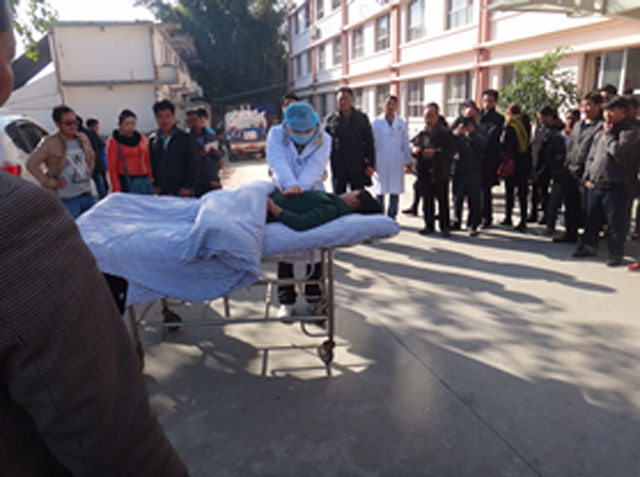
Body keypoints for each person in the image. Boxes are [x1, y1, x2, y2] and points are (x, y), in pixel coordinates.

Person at [0, 1, 188, 472]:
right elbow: (119, 447)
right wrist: (53, 184)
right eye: (7, 58)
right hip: (77, 201)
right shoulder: (23, 221)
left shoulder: (97, 142)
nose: (73, 128)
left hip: (110, 194)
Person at [266, 101, 331, 319]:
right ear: (287, 126)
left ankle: (315, 298)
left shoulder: (324, 138)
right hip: (283, 193)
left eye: (307, 130)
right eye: (297, 131)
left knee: (316, 251)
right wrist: (290, 185)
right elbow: (277, 162)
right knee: (285, 250)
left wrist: (300, 187)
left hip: (312, 193)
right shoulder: (276, 134)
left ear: (315, 124)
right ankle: (286, 300)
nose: (303, 135)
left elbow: (316, 167)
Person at [574, 96, 638, 266]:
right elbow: (592, 155)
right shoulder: (600, 130)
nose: (607, 114)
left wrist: (609, 135)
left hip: (617, 184)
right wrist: (588, 176)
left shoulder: (629, 132)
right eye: (605, 111)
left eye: (612, 111)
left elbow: (616, 151)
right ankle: (589, 246)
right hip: (596, 181)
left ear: (623, 112)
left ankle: (615, 253)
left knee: (615, 222)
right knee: (592, 218)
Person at [26, 104, 96, 219]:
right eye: (68, 123)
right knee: (71, 229)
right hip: (67, 199)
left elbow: (91, 157)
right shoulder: (50, 142)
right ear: (57, 124)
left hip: (87, 194)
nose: (73, 126)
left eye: (75, 122)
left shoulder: (83, 138)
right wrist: (50, 182)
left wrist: (88, 173)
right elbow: (31, 164)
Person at [561, 92, 604, 243]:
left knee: (588, 208)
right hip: (572, 170)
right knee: (570, 204)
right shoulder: (579, 125)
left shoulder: (601, 126)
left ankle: (589, 239)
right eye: (583, 105)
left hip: (588, 172)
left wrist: (590, 172)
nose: (585, 108)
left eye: (589, 105)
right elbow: (572, 146)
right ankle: (570, 233)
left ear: (599, 106)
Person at [411, 102, 456, 237]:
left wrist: (436, 153)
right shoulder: (422, 133)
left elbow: (451, 151)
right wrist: (415, 150)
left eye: (430, 116)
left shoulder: (445, 133)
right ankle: (429, 225)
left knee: (442, 201)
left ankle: (444, 226)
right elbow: (414, 145)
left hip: (440, 171)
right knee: (427, 200)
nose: (428, 119)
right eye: (426, 116)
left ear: (437, 116)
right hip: (425, 171)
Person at [324, 86, 376, 193]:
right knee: (339, 197)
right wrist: (322, 166)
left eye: (346, 99)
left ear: (352, 100)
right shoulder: (330, 120)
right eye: (340, 99)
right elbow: (324, 145)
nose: (343, 102)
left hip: (357, 165)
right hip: (338, 166)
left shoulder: (361, 118)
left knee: (357, 197)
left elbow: (369, 142)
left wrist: (370, 164)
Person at [371, 95, 412, 219]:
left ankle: (392, 217)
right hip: (380, 161)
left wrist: (408, 160)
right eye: (388, 104)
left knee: (395, 191)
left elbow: (405, 142)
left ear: (397, 107)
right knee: (380, 191)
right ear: (383, 106)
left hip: (396, 161)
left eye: (393, 104)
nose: (390, 107)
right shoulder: (376, 123)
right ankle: (380, 217)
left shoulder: (401, 123)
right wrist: (370, 162)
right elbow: (371, 143)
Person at [451, 102, 487, 236]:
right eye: (466, 114)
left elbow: (483, 145)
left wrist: (472, 133)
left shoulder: (480, 127)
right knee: (457, 197)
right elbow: (449, 141)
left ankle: (472, 224)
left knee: (474, 199)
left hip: (474, 168)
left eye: (471, 114)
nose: (468, 119)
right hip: (459, 167)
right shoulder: (457, 125)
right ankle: (456, 220)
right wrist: (457, 133)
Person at [267, 188, 382, 231]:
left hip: (267, 209)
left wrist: (272, 207)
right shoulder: (332, 202)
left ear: (355, 203)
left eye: (352, 192)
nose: (347, 192)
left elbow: (301, 222)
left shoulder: (331, 208)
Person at [148, 99, 198, 197]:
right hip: (162, 191)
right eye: (160, 117)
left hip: (182, 191)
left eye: (168, 116)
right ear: (156, 119)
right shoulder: (153, 140)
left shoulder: (185, 138)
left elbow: (193, 164)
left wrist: (187, 186)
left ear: (174, 117)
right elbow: (152, 164)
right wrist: (155, 185)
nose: (165, 121)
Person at [533, 106, 568, 235]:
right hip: (539, 164)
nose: (541, 120)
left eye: (542, 117)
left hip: (551, 167)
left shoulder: (557, 130)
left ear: (549, 117)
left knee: (552, 196)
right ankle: (541, 214)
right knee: (540, 191)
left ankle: (549, 219)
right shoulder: (540, 128)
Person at [499, 104, 532, 231]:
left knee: (510, 191)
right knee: (522, 193)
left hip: (512, 161)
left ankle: (508, 217)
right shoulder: (525, 123)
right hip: (524, 161)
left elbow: (505, 143)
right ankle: (523, 219)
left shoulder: (511, 126)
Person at [106, 109, 154, 194]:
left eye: (133, 123)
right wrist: (116, 190)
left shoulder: (141, 139)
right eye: (127, 124)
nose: (130, 126)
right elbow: (112, 168)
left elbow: (147, 160)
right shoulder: (114, 142)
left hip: (144, 179)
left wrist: (150, 178)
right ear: (120, 125)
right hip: (126, 181)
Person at [478, 89, 505, 228]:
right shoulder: (477, 115)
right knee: (476, 187)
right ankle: (477, 215)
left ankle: (486, 217)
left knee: (486, 188)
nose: (487, 103)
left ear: (495, 102)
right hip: (476, 156)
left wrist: (477, 137)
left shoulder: (498, 118)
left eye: (490, 100)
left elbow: (491, 136)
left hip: (489, 156)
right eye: (485, 100)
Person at [187, 108, 222, 196]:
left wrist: (216, 153)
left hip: (212, 179)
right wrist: (198, 156)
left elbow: (221, 154)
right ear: (187, 124)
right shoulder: (184, 140)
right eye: (190, 121)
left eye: (195, 120)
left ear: (201, 120)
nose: (194, 123)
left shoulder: (211, 136)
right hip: (195, 183)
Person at [85, 117, 108, 199]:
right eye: (97, 126)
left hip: (98, 163)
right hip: (98, 164)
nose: (98, 128)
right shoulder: (92, 135)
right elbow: (102, 146)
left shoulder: (88, 135)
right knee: (101, 185)